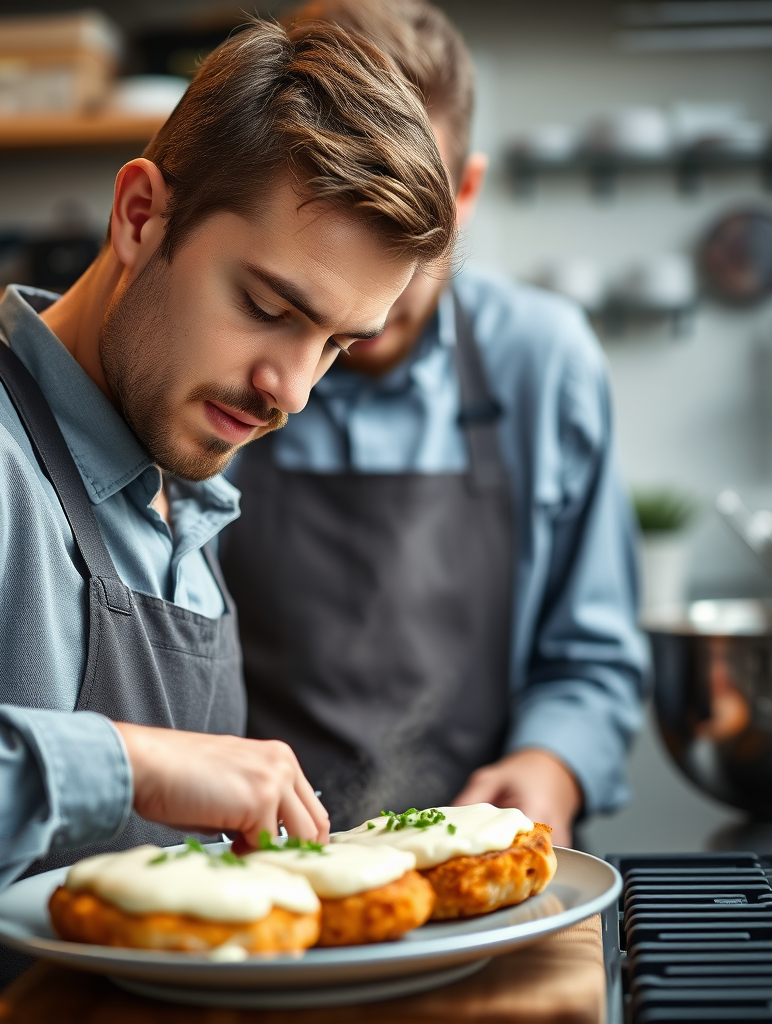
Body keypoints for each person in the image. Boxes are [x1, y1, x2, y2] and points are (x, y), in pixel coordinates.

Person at [0, 19, 455, 1023]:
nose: (289, 388)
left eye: (336, 344)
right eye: (266, 306)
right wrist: (126, 761)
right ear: (138, 217)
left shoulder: (181, 496)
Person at [221, 0, 649, 847]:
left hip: (479, 867)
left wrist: (552, 764)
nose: (377, 287)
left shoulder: (544, 359)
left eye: (414, 217)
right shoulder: (222, 373)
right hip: (261, 874)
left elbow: (593, 659)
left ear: (467, 190)